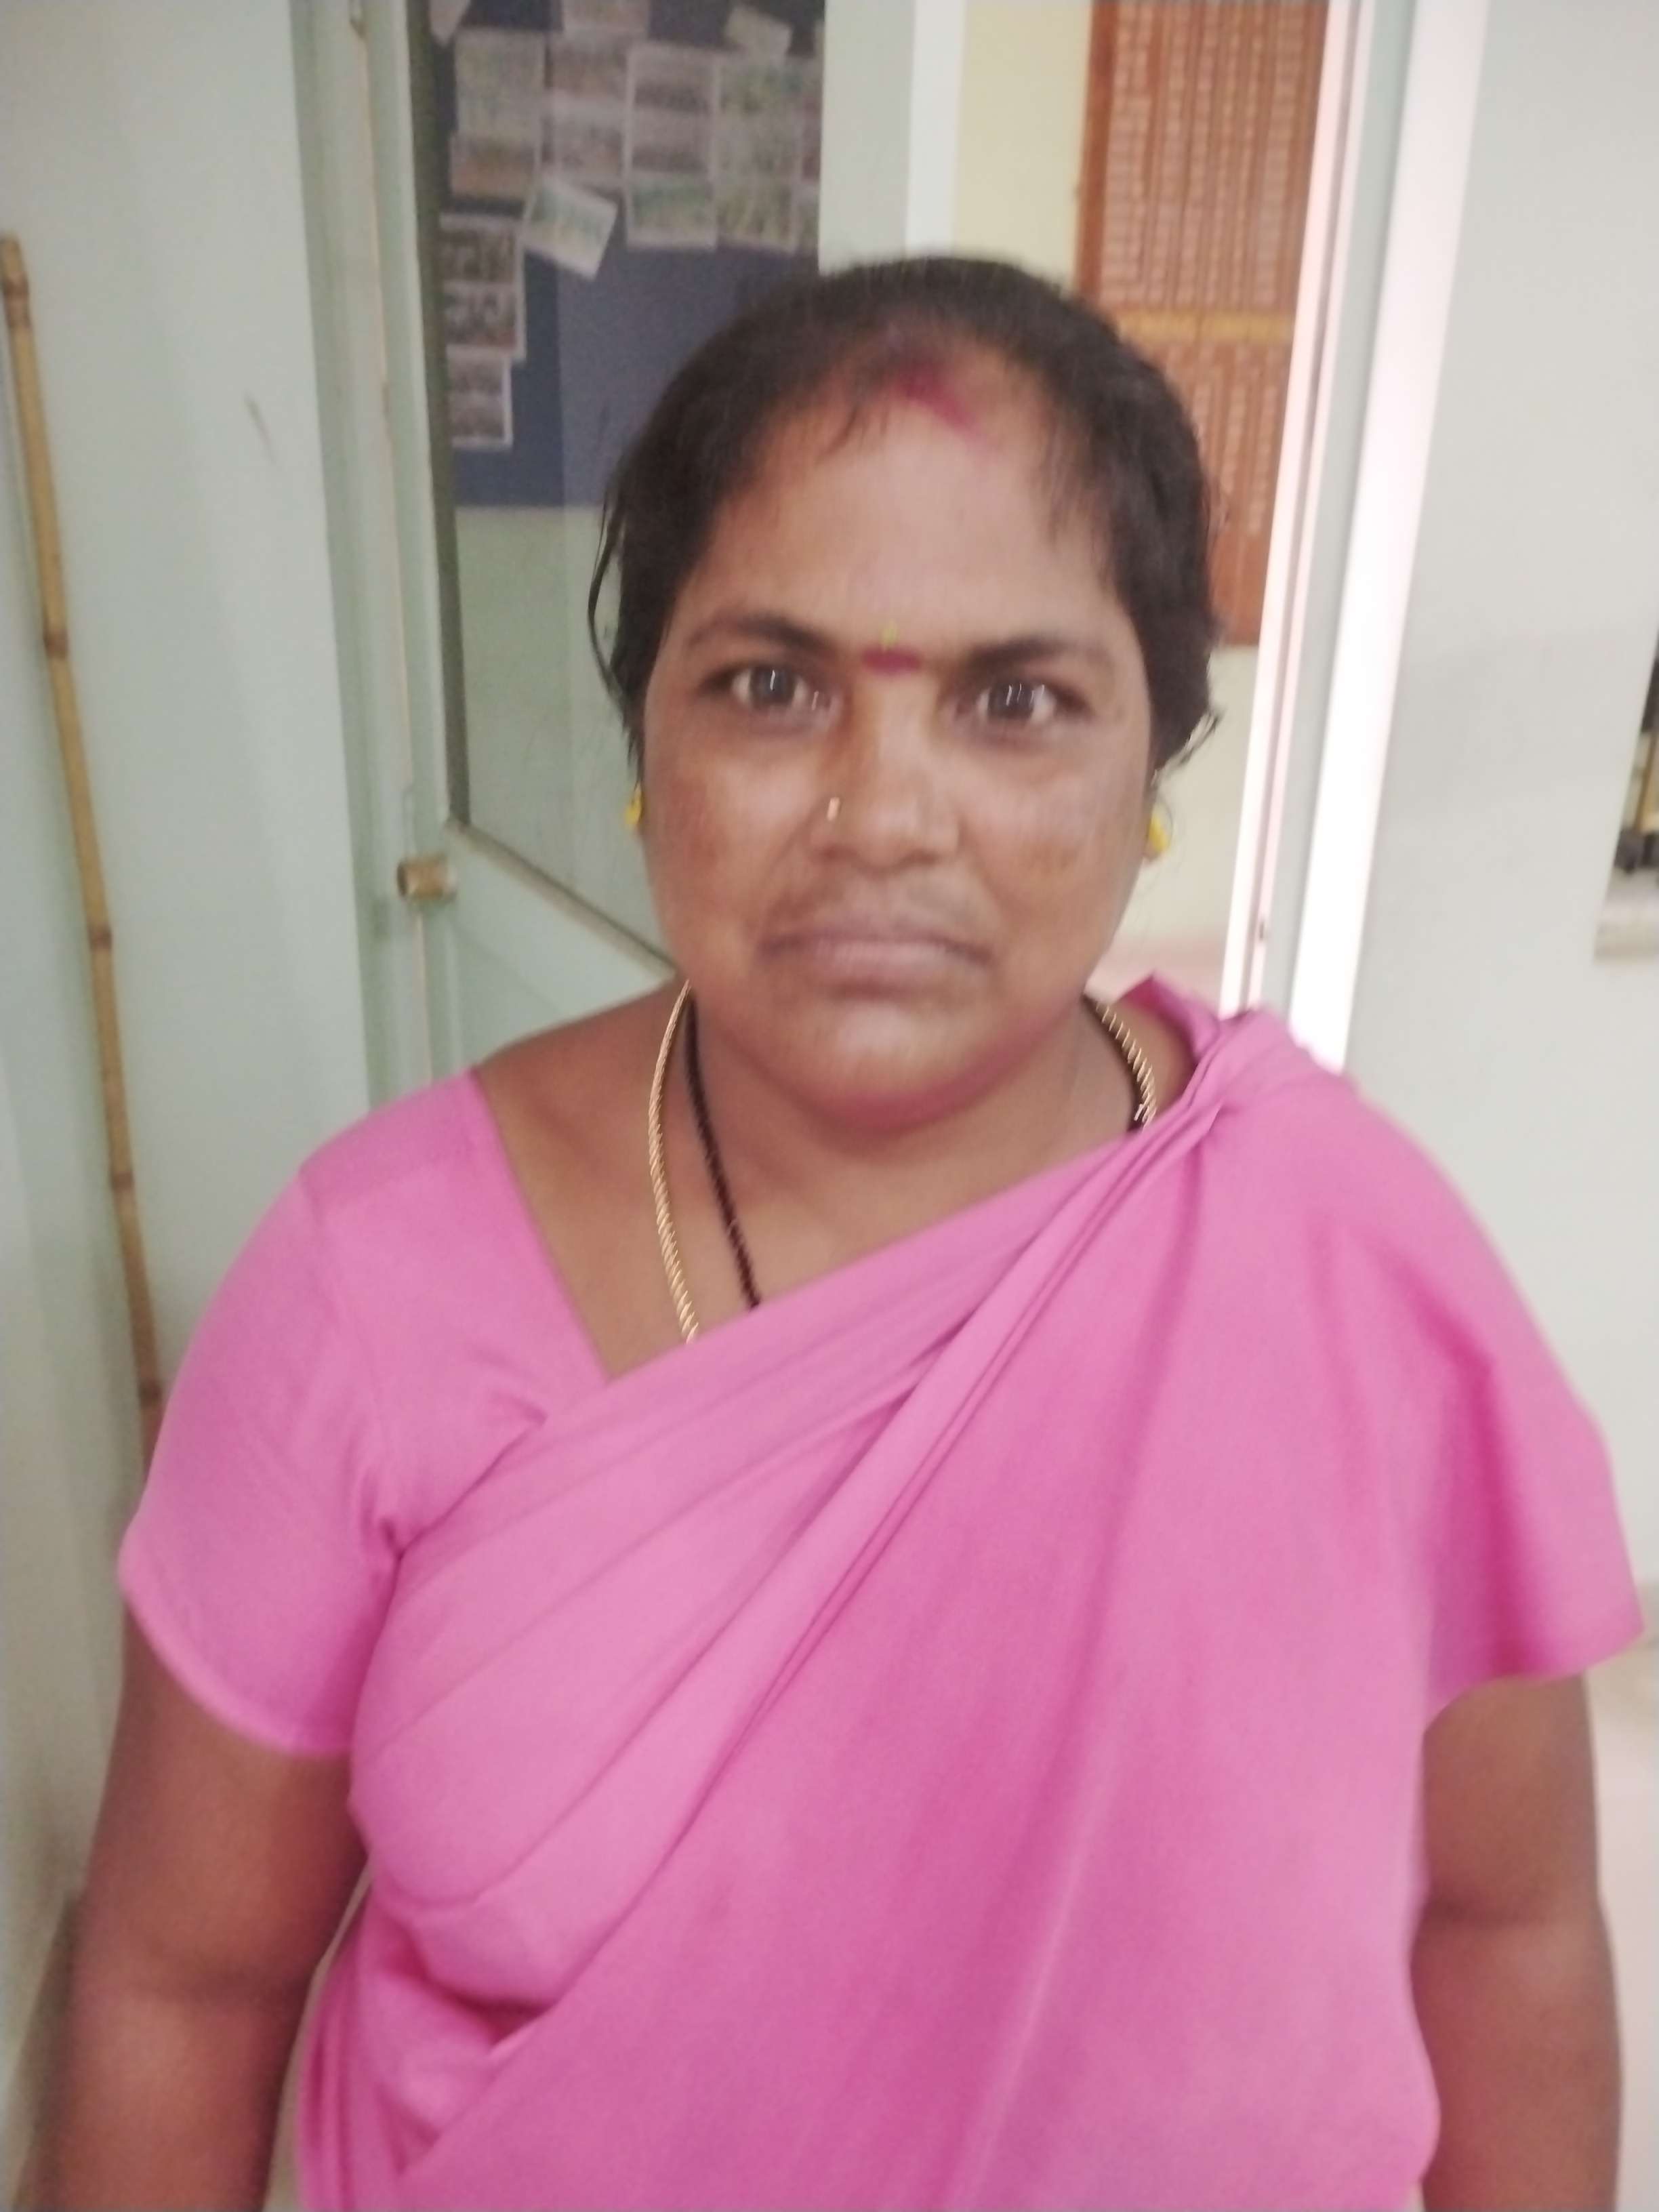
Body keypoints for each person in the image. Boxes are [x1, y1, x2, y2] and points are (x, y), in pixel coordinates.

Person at [41, 258, 1640, 2212]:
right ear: (646, 744)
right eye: (773, 687)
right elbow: (183, 1983)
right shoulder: (373, 1285)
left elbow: (1505, 1928)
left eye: (1016, 700)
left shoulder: (1346, 1264)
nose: (885, 816)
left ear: (1152, 764)